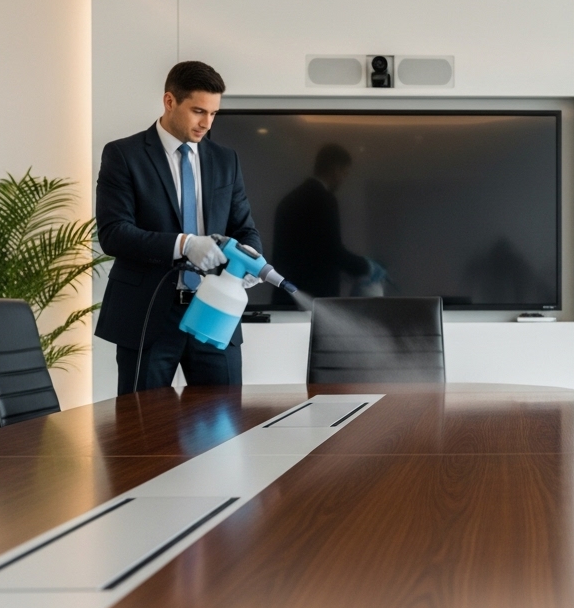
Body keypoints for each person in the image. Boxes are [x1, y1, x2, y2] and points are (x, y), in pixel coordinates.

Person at [95, 61, 262, 394]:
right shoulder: (124, 155)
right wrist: (184, 244)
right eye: (198, 111)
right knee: (141, 432)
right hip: (148, 315)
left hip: (215, 312)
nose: (206, 123)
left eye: (213, 113)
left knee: (224, 427)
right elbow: (113, 233)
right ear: (169, 101)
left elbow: (245, 228)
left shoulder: (225, 159)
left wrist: (251, 256)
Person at [271, 143, 380, 303]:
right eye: (344, 172)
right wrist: (366, 266)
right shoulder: (324, 199)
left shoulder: (288, 200)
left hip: (284, 297)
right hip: (314, 300)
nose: (344, 179)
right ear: (335, 169)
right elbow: (332, 251)